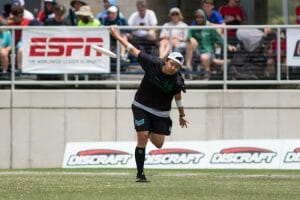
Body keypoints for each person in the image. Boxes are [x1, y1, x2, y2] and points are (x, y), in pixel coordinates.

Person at [110, 26, 188, 182]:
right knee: (143, 136)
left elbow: (177, 96)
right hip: (141, 106)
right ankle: (140, 174)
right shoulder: (152, 63)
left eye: (177, 67)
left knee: (159, 144)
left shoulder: (177, 81)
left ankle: (149, 127)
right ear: (166, 61)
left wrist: (181, 115)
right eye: (172, 63)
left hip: (161, 113)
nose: (173, 67)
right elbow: (133, 50)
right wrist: (118, 36)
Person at [185, 9, 236, 80]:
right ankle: (188, 66)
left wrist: (228, 46)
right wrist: (191, 38)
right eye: (197, 17)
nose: (199, 19)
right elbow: (187, 36)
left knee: (204, 57)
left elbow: (219, 40)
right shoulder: (193, 27)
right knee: (189, 42)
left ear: (204, 17)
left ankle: (207, 73)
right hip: (197, 51)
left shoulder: (209, 27)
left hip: (209, 52)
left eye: (201, 17)